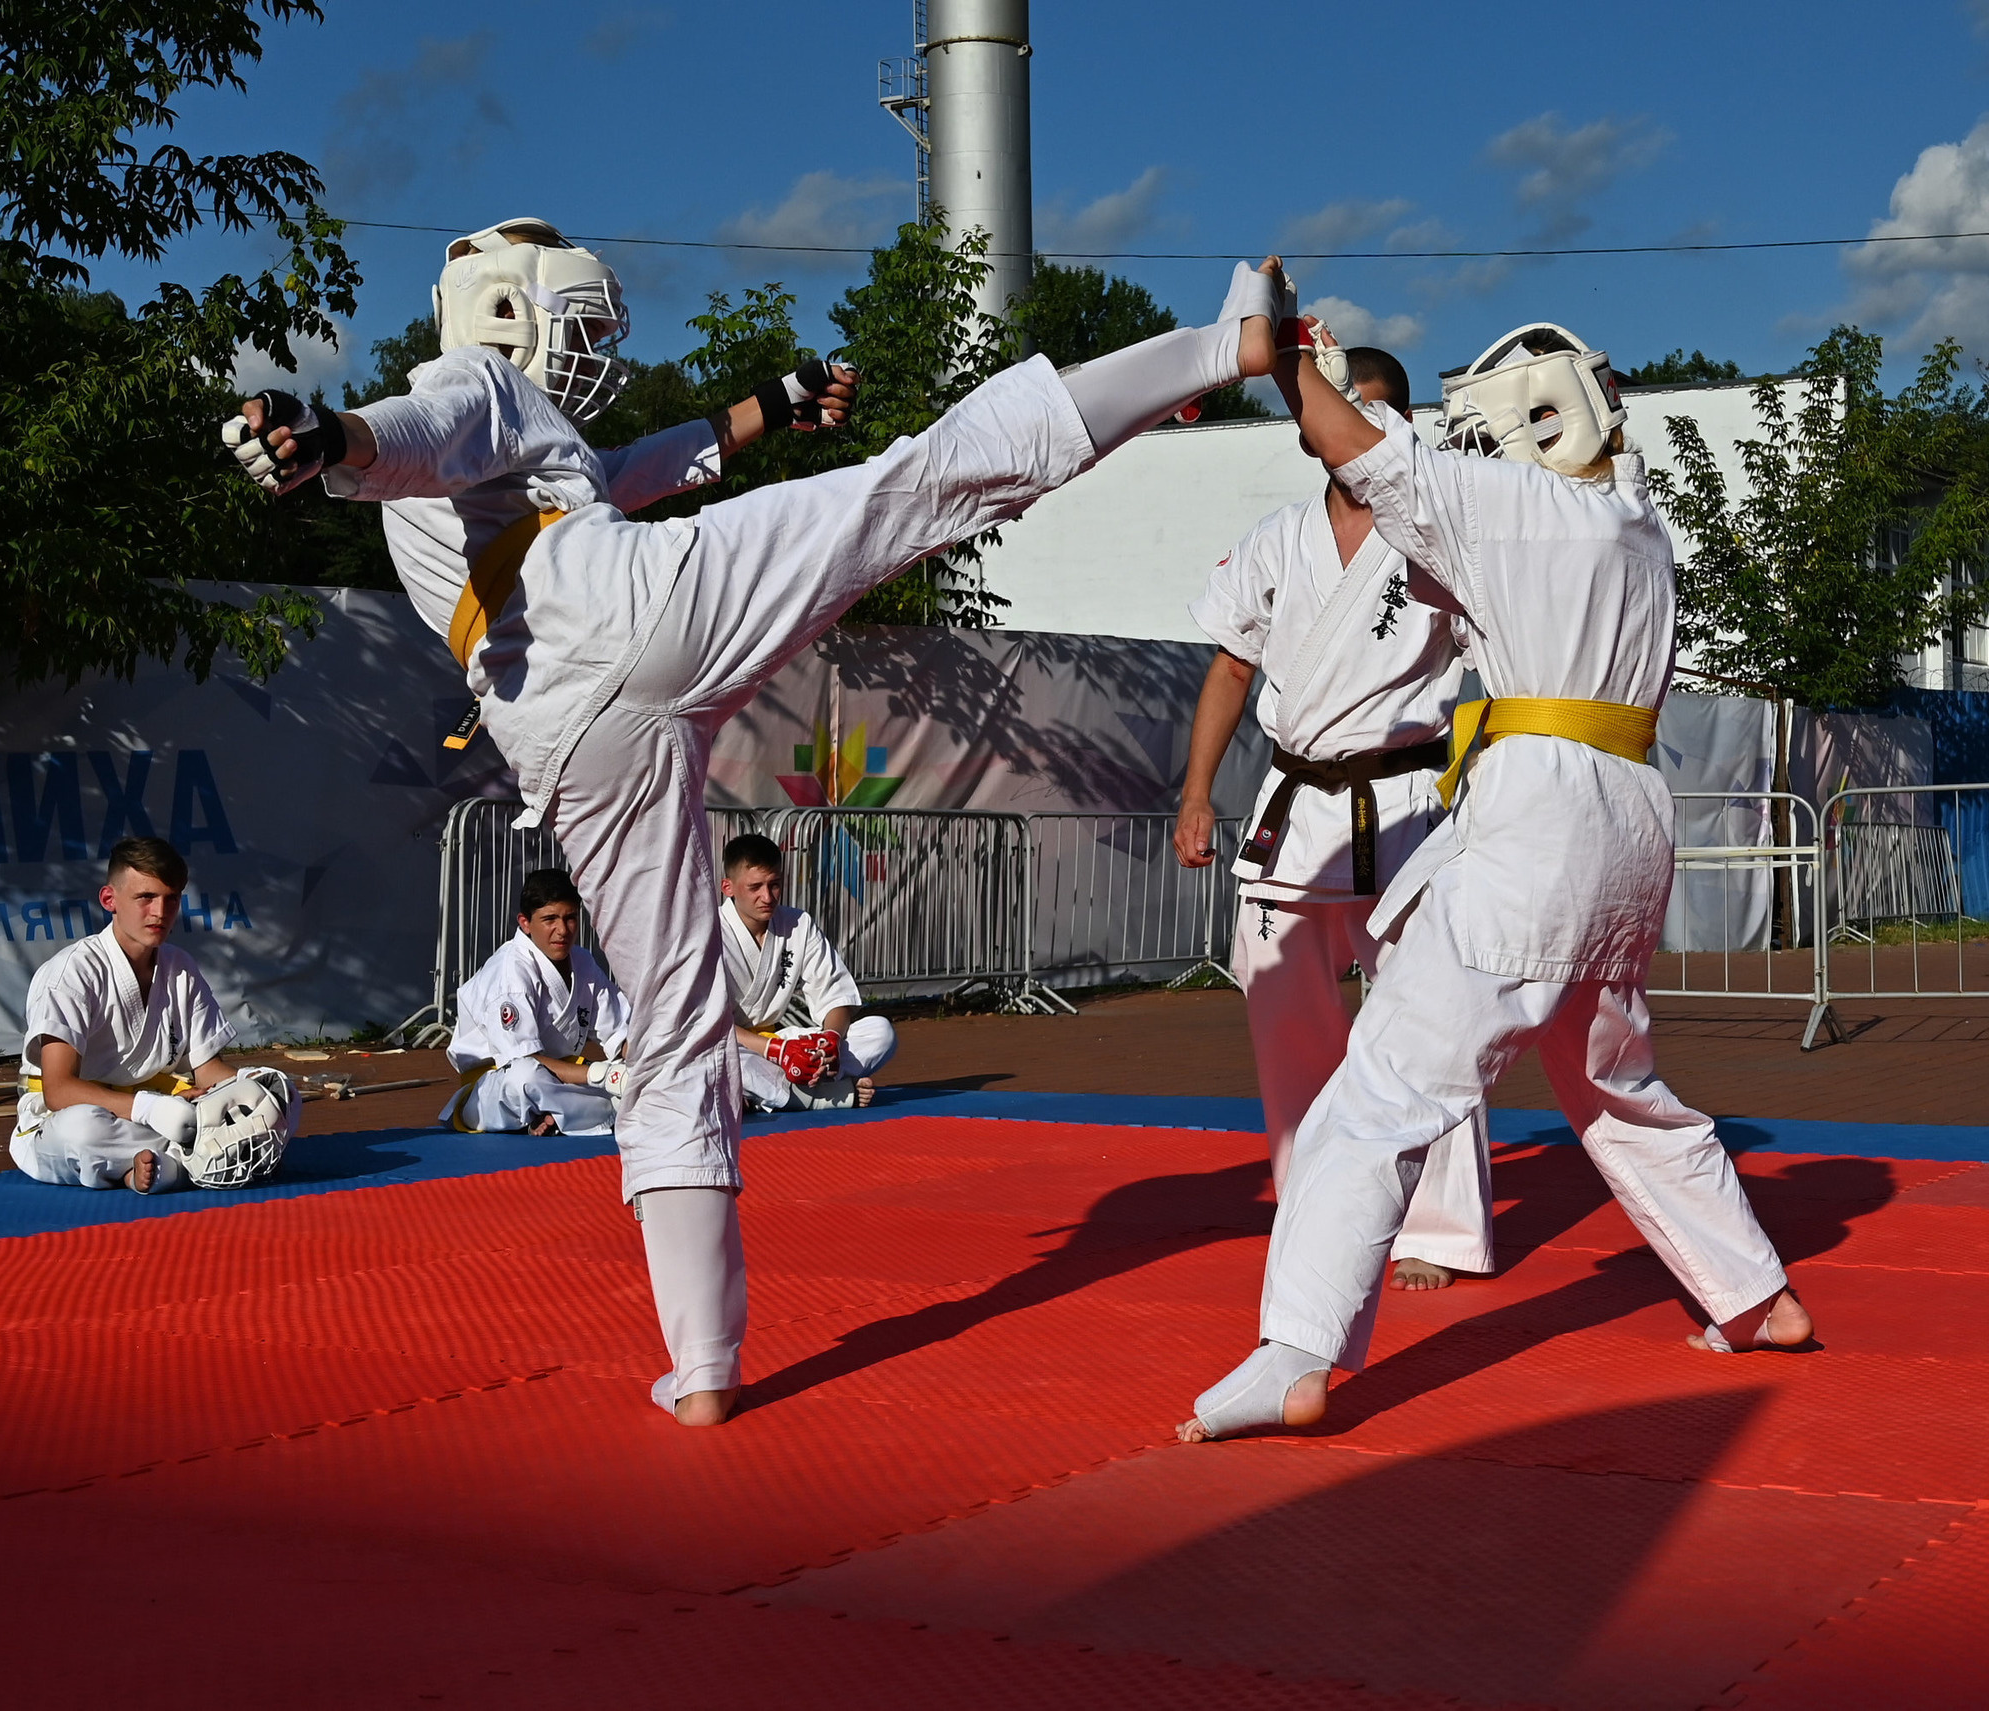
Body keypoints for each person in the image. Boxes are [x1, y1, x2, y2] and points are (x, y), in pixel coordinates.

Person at [225, 218, 1288, 1428]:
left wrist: (767, 408)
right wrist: (339, 437)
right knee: (917, 485)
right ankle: (1217, 348)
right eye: (577, 329)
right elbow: (424, 425)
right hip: (633, 604)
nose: (590, 356)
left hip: (557, 720)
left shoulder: (517, 456)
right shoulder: (468, 386)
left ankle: (706, 1367)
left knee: (673, 1021)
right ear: (512, 317)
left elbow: (629, 464)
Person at [1179, 298, 1811, 1443]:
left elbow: (1353, 448)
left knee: (1374, 1096)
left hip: (1540, 817)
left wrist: (1280, 355)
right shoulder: (1638, 526)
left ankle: (1297, 1351)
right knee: (1618, 1088)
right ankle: (1755, 1294)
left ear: (1534, 424)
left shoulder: (1517, 505)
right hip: (1626, 816)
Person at [1174, 342, 1493, 1291]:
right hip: (1295, 805)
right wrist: (1196, 794)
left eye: (1380, 406)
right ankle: (1314, 1201)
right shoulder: (1277, 538)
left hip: (1402, 801)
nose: (1360, 420)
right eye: (1340, 402)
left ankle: (1435, 1228)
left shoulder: (1440, 535)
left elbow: (1504, 654)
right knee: (1287, 1021)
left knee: (1433, 1017)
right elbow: (1231, 668)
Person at [10, 836, 298, 1194]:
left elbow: (207, 1070)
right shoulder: (71, 973)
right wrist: (149, 1109)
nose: (160, 912)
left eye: (171, 898)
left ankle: (161, 1165)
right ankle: (188, 1163)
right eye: (145, 897)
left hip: (167, 1113)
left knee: (276, 1093)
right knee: (82, 1130)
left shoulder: (180, 967)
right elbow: (58, 1090)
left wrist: (247, 1089)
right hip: (63, 1120)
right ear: (109, 900)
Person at [441, 867, 631, 1135]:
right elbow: (523, 1060)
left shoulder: (584, 964)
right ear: (525, 922)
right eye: (550, 919)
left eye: (570, 918)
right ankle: (596, 1110)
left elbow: (620, 1035)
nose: (562, 930)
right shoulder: (510, 972)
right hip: (494, 1087)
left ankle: (557, 1116)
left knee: (640, 1073)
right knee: (526, 1078)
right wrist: (601, 1076)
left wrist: (647, 1062)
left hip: (562, 1078)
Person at [715, 834, 895, 1112]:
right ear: (728, 887)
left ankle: (775, 1090)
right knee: (711, 1060)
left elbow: (835, 994)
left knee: (880, 1033)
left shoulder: (798, 924)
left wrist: (830, 1042)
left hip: (781, 1047)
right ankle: (818, 1097)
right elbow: (704, 1021)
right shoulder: (708, 932)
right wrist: (775, 1053)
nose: (767, 896)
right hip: (734, 1046)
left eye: (775, 885)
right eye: (755, 887)